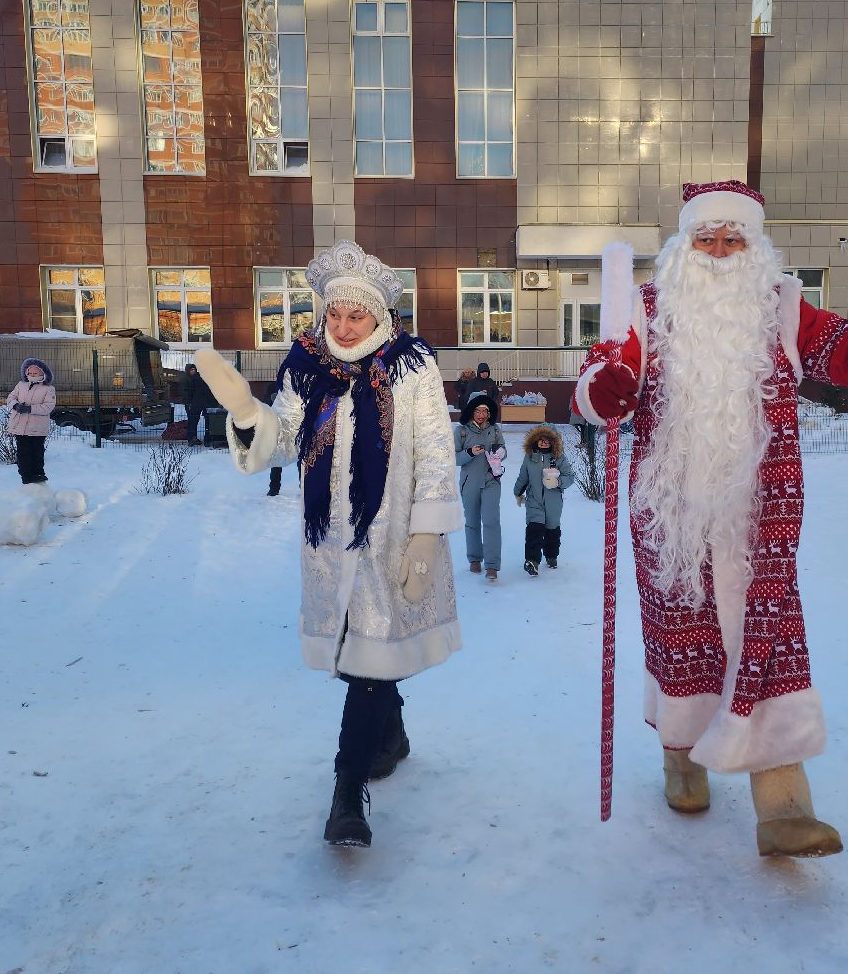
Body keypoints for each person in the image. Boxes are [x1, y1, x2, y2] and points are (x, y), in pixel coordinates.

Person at [574, 179, 848, 858]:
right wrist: (602, 391)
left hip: (760, 518)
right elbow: (602, 379)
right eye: (708, 238)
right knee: (686, 646)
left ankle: (785, 804)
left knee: (770, 640)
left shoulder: (782, 309)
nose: (722, 251)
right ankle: (683, 758)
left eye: (735, 239)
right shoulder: (647, 311)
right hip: (672, 520)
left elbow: (847, 356)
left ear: (756, 246)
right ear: (684, 244)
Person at [192, 240, 462, 849]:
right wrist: (245, 413)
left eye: (356, 316)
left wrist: (425, 536)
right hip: (330, 540)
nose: (342, 326)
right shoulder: (306, 364)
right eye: (334, 313)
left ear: (380, 316)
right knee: (363, 651)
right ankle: (388, 737)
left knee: (368, 648)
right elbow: (285, 440)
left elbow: (437, 450)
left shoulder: (412, 365)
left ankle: (347, 791)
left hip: (393, 536)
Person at [454, 394, 505, 582]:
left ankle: (492, 566)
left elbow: (503, 450)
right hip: (470, 482)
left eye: (485, 411)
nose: (481, 414)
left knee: (491, 521)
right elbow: (454, 457)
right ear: (471, 411)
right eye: (477, 410)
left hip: (491, 481)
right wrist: (469, 452)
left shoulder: (495, 430)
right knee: (472, 522)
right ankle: (474, 559)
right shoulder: (461, 431)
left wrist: (500, 453)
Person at [513, 424, 575, 575]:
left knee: (552, 530)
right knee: (534, 528)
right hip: (534, 500)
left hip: (553, 502)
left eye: (548, 439)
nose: (544, 442)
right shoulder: (530, 457)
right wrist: (518, 493)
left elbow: (570, 476)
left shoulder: (558, 458)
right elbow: (523, 477)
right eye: (541, 439)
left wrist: (558, 482)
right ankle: (532, 561)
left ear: (553, 441)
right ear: (535, 440)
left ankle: (551, 555)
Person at [5, 358, 55, 485]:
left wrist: (30, 409)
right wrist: (15, 405)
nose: (32, 375)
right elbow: (11, 397)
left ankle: (38, 473)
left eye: (35, 373)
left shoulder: (48, 389)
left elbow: (48, 406)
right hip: (20, 426)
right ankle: (26, 476)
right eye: (30, 373)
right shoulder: (20, 385)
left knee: (37, 451)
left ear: (43, 374)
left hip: (37, 427)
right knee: (23, 452)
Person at [181, 362, 212, 446]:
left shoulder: (196, 377)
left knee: (195, 420)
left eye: (194, 369)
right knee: (192, 420)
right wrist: (190, 402)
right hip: (190, 403)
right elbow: (185, 392)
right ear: (188, 370)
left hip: (197, 402)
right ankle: (191, 438)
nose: (193, 371)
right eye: (191, 370)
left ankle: (194, 438)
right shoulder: (185, 379)